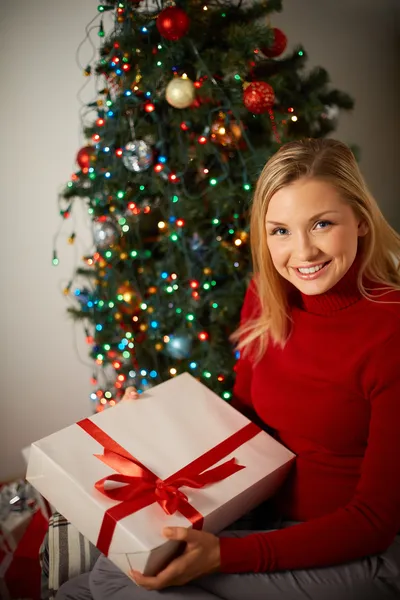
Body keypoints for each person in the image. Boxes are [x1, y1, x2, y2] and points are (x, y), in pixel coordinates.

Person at [56, 138, 400, 600]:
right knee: (95, 584)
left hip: (362, 551)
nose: (303, 252)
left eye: (321, 224)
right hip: (266, 516)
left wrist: (224, 555)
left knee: (111, 581)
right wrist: (151, 421)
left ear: (360, 220)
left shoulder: (390, 330)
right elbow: (243, 415)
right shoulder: (269, 294)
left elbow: (374, 522)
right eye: (280, 231)